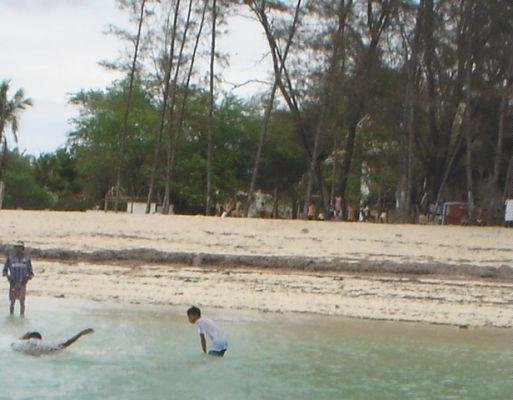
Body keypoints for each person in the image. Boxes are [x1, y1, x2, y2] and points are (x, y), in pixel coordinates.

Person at [3, 241, 34, 316]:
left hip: (22, 283)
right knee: (12, 303)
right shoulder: (10, 258)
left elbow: (31, 273)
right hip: (13, 283)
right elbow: (4, 271)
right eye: (16, 247)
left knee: (22, 303)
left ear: (22, 248)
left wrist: (26, 280)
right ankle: (11, 317)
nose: (18, 249)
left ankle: (22, 317)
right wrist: (8, 277)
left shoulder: (27, 259)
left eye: (19, 247)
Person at [11, 328, 94, 356]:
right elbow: (66, 344)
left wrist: (24, 336)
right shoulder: (45, 345)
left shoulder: (20, 344)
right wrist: (80, 334)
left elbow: (13, 343)